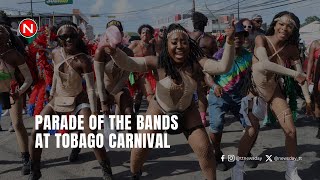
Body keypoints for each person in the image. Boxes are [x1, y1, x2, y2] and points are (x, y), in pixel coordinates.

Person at [102, 22, 236, 180]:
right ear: (166, 45)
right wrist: (114, 52)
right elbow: (129, 63)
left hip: (187, 110)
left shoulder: (197, 63)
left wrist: (230, 42)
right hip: (159, 109)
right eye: (174, 42)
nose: (180, 46)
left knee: (205, 150)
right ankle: (135, 174)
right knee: (141, 146)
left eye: (184, 42)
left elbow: (223, 67)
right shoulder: (158, 62)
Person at [232, 11, 312, 180]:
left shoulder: (292, 49)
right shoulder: (262, 40)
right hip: (254, 91)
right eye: (281, 24)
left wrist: (308, 99)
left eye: (289, 26)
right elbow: (265, 64)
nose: (284, 28)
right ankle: (238, 168)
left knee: (291, 130)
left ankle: (291, 171)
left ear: (293, 30)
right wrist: (293, 73)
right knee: (251, 131)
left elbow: (301, 77)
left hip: (274, 91)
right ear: (274, 25)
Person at [28, 21, 113, 180]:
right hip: (58, 98)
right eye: (64, 36)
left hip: (80, 100)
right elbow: (55, 75)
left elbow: (90, 88)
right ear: (59, 38)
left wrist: (94, 112)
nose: (68, 39)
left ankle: (106, 171)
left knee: (91, 135)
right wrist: (52, 93)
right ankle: (35, 169)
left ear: (78, 37)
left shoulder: (84, 60)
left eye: (72, 36)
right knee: (36, 131)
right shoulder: (55, 53)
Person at [206, 22, 257, 171]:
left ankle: (245, 153)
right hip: (219, 97)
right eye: (235, 36)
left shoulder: (248, 57)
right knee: (216, 126)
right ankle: (217, 154)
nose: (238, 39)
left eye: (241, 36)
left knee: (252, 127)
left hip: (240, 98)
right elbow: (207, 76)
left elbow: (255, 75)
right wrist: (215, 86)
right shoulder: (219, 54)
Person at [0, 14, 33, 175]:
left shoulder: (14, 55)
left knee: (18, 124)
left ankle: (25, 158)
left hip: (12, 93)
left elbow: (28, 78)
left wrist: (19, 92)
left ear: (5, 38)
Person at [94, 20, 136, 130]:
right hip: (101, 89)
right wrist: (103, 101)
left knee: (130, 114)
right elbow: (99, 79)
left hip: (119, 88)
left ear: (121, 34)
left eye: (117, 32)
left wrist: (113, 94)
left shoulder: (128, 52)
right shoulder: (101, 52)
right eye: (111, 32)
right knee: (91, 119)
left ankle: (136, 145)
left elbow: (125, 76)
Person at [189, 11, 218, 126]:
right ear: (205, 24)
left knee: (186, 93)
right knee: (201, 93)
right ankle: (202, 119)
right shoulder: (209, 39)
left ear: (193, 24)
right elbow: (215, 56)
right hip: (202, 70)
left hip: (187, 69)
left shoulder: (186, 36)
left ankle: (189, 117)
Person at [127, 24, 157, 113]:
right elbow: (124, 55)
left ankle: (153, 113)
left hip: (146, 74)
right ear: (140, 35)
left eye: (147, 32)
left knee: (149, 94)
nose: (145, 34)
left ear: (151, 35)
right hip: (131, 73)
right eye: (143, 32)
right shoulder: (135, 44)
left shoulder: (152, 46)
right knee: (134, 96)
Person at [306, 39, 320, 138]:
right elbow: (310, 61)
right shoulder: (315, 44)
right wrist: (308, 77)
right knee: (318, 102)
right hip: (318, 78)